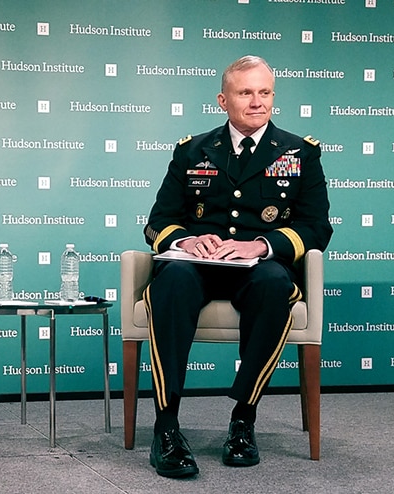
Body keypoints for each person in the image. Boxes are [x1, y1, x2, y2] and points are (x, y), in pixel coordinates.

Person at [142, 55, 332, 478]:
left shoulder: (300, 152)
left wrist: (260, 245)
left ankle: (243, 420)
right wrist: (186, 239)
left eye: (265, 92)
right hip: (197, 265)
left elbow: (316, 228)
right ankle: (167, 427)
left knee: (273, 283)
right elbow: (158, 222)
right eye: (246, 93)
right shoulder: (191, 150)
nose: (257, 102)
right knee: (170, 281)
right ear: (223, 100)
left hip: (258, 267)